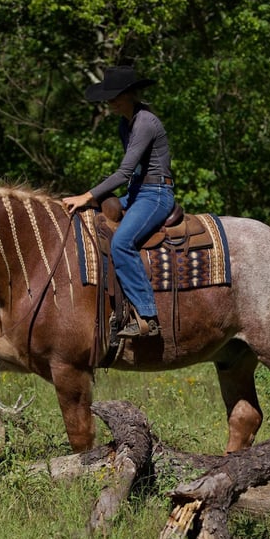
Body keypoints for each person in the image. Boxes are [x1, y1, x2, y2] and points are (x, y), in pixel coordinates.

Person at [63, 65, 174, 338]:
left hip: (156, 194)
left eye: (116, 95)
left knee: (122, 243)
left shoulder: (145, 122)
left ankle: (148, 315)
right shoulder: (125, 124)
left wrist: (88, 195)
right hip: (138, 193)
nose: (111, 101)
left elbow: (125, 172)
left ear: (131, 94)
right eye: (109, 96)